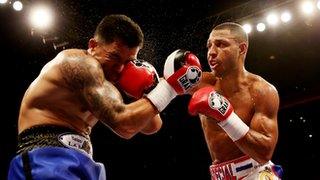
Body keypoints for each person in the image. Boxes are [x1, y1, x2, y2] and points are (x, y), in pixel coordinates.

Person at [8, 14, 202, 180]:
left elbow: (152, 126)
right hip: (45, 158)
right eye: (115, 57)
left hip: (82, 160)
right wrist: (169, 88)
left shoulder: (107, 81)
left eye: (128, 62)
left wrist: (146, 89)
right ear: (93, 45)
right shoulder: (79, 63)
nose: (120, 69)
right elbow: (124, 124)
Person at [187, 22, 283, 179]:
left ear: (242, 49)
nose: (211, 52)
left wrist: (226, 116)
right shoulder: (200, 82)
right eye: (209, 45)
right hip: (220, 176)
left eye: (221, 44)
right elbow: (155, 86)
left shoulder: (262, 91)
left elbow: (264, 152)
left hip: (256, 173)